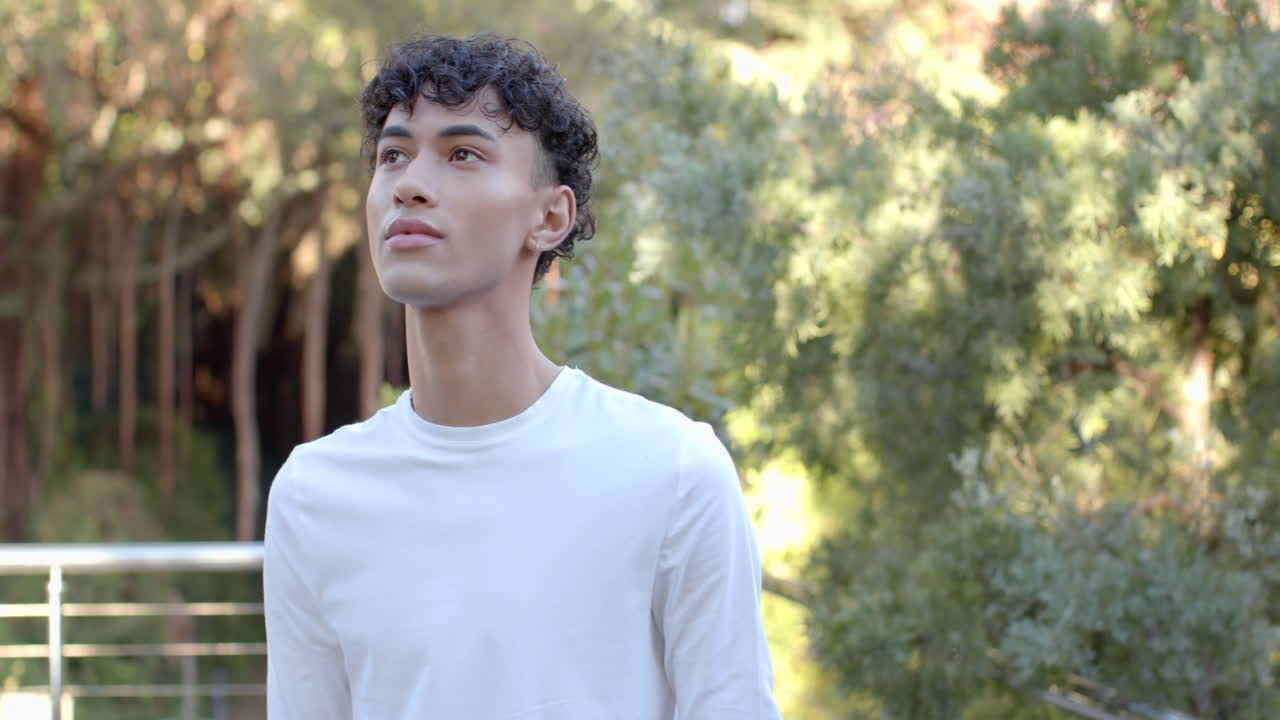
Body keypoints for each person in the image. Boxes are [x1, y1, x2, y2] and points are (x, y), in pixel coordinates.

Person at [262, 33, 783, 720]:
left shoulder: (673, 472)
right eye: (393, 155)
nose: (409, 184)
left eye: (462, 154)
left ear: (549, 216)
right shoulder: (314, 495)